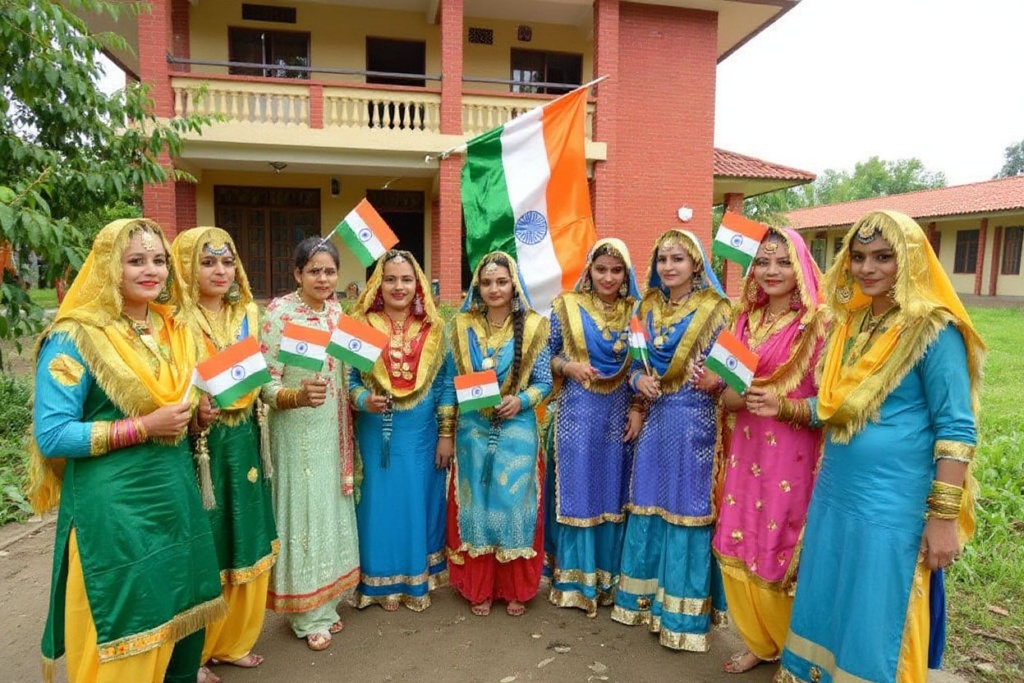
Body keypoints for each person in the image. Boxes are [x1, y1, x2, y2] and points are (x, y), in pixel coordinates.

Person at [777, 210, 984, 683]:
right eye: (859, 257)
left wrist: (943, 517)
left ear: (908, 261)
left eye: (883, 257)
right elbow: (836, 409)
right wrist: (783, 406)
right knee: (830, 594)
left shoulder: (933, 330)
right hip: (837, 491)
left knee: (878, 608)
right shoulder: (848, 324)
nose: (868, 268)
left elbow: (956, 429)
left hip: (894, 501)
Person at [27, 218, 224, 683]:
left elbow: (176, 400)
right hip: (114, 506)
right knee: (128, 610)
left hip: (173, 492)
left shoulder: (170, 327)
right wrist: (142, 427)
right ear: (109, 267)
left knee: (178, 598)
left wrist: (195, 418)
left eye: (158, 260)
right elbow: (53, 435)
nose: (150, 270)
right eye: (136, 261)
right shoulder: (76, 336)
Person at [708, 227, 826, 674]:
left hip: (792, 452)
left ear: (799, 266)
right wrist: (715, 385)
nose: (772, 271)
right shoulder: (742, 319)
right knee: (741, 534)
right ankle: (759, 641)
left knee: (781, 540)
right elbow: (724, 386)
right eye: (762, 262)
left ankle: (793, 649)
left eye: (782, 262)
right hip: (745, 447)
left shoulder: (817, 324)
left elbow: (830, 399)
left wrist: (788, 407)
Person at [612, 229, 731, 651]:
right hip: (655, 420)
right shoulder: (645, 308)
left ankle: (682, 614)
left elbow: (731, 376)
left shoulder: (717, 311)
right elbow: (631, 365)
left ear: (696, 264)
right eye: (662, 259)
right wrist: (637, 382)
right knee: (647, 502)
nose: (669, 267)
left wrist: (717, 383)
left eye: (678, 259)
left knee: (686, 507)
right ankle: (641, 600)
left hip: (695, 423)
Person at [171, 227, 279, 672]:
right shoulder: (173, 320)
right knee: (207, 543)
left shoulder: (246, 315)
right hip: (198, 448)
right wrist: (195, 410)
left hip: (245, 441)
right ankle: (192, 654)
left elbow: (259, 382)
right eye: (207, 261)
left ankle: (233, 641)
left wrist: (291, 395)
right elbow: (169, 386)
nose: (220, 270)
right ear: (184, 268)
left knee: (247, 535)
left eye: (227, 261)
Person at [260, 237, 360, 651]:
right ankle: (306, 614)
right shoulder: (279, 314)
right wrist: (296, 397)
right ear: (297, 273)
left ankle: (328, 602)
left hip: (335, 430)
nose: (323, 278)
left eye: (330, 271)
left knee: (330, 509)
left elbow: (350, 368)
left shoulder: (338, 311)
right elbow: (263, 382)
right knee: (304, 514)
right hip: (297, 429)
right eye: (314, 271)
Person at [444, 252, 553, 617]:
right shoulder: (461, 326)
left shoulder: (535, 327)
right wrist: (447, 431)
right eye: (487, 282)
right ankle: (480, 587)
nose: (494, 289)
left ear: (514, 285)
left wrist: (520, 401)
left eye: (501, 282)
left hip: (517, 430)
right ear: (477, 285)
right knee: (477, 507)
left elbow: (545, 382)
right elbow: (450, 382)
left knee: (513, 508)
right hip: (473, 431)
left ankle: (515, 588)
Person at [349, 250, 452, 611]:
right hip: (375, 432)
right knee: (377, 503)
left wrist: (445, 434)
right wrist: (364, 400)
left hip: (422, 434)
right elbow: (348, 379)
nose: (398, 286)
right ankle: (378, 584)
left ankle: (414, 579)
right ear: (378, 283)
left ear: (418, 284)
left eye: (406, 279)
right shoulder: (361, 323)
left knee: (416, 501)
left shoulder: (434, 329)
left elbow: (446, 385)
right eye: (390, 279)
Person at [545, 238, 641, 616]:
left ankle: (606, 579)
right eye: (601, 269)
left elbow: (642, 367)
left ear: (626, 274)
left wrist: (637, 407)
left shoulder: (637, 311)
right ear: (589, 269)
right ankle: (572, 580)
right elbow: (546, 355)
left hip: (618, 414)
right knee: (578, 489)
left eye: (617, 271)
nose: (608, 277)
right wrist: (568, 367)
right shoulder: (566, 307)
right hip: (577, 412)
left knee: (612, 491)